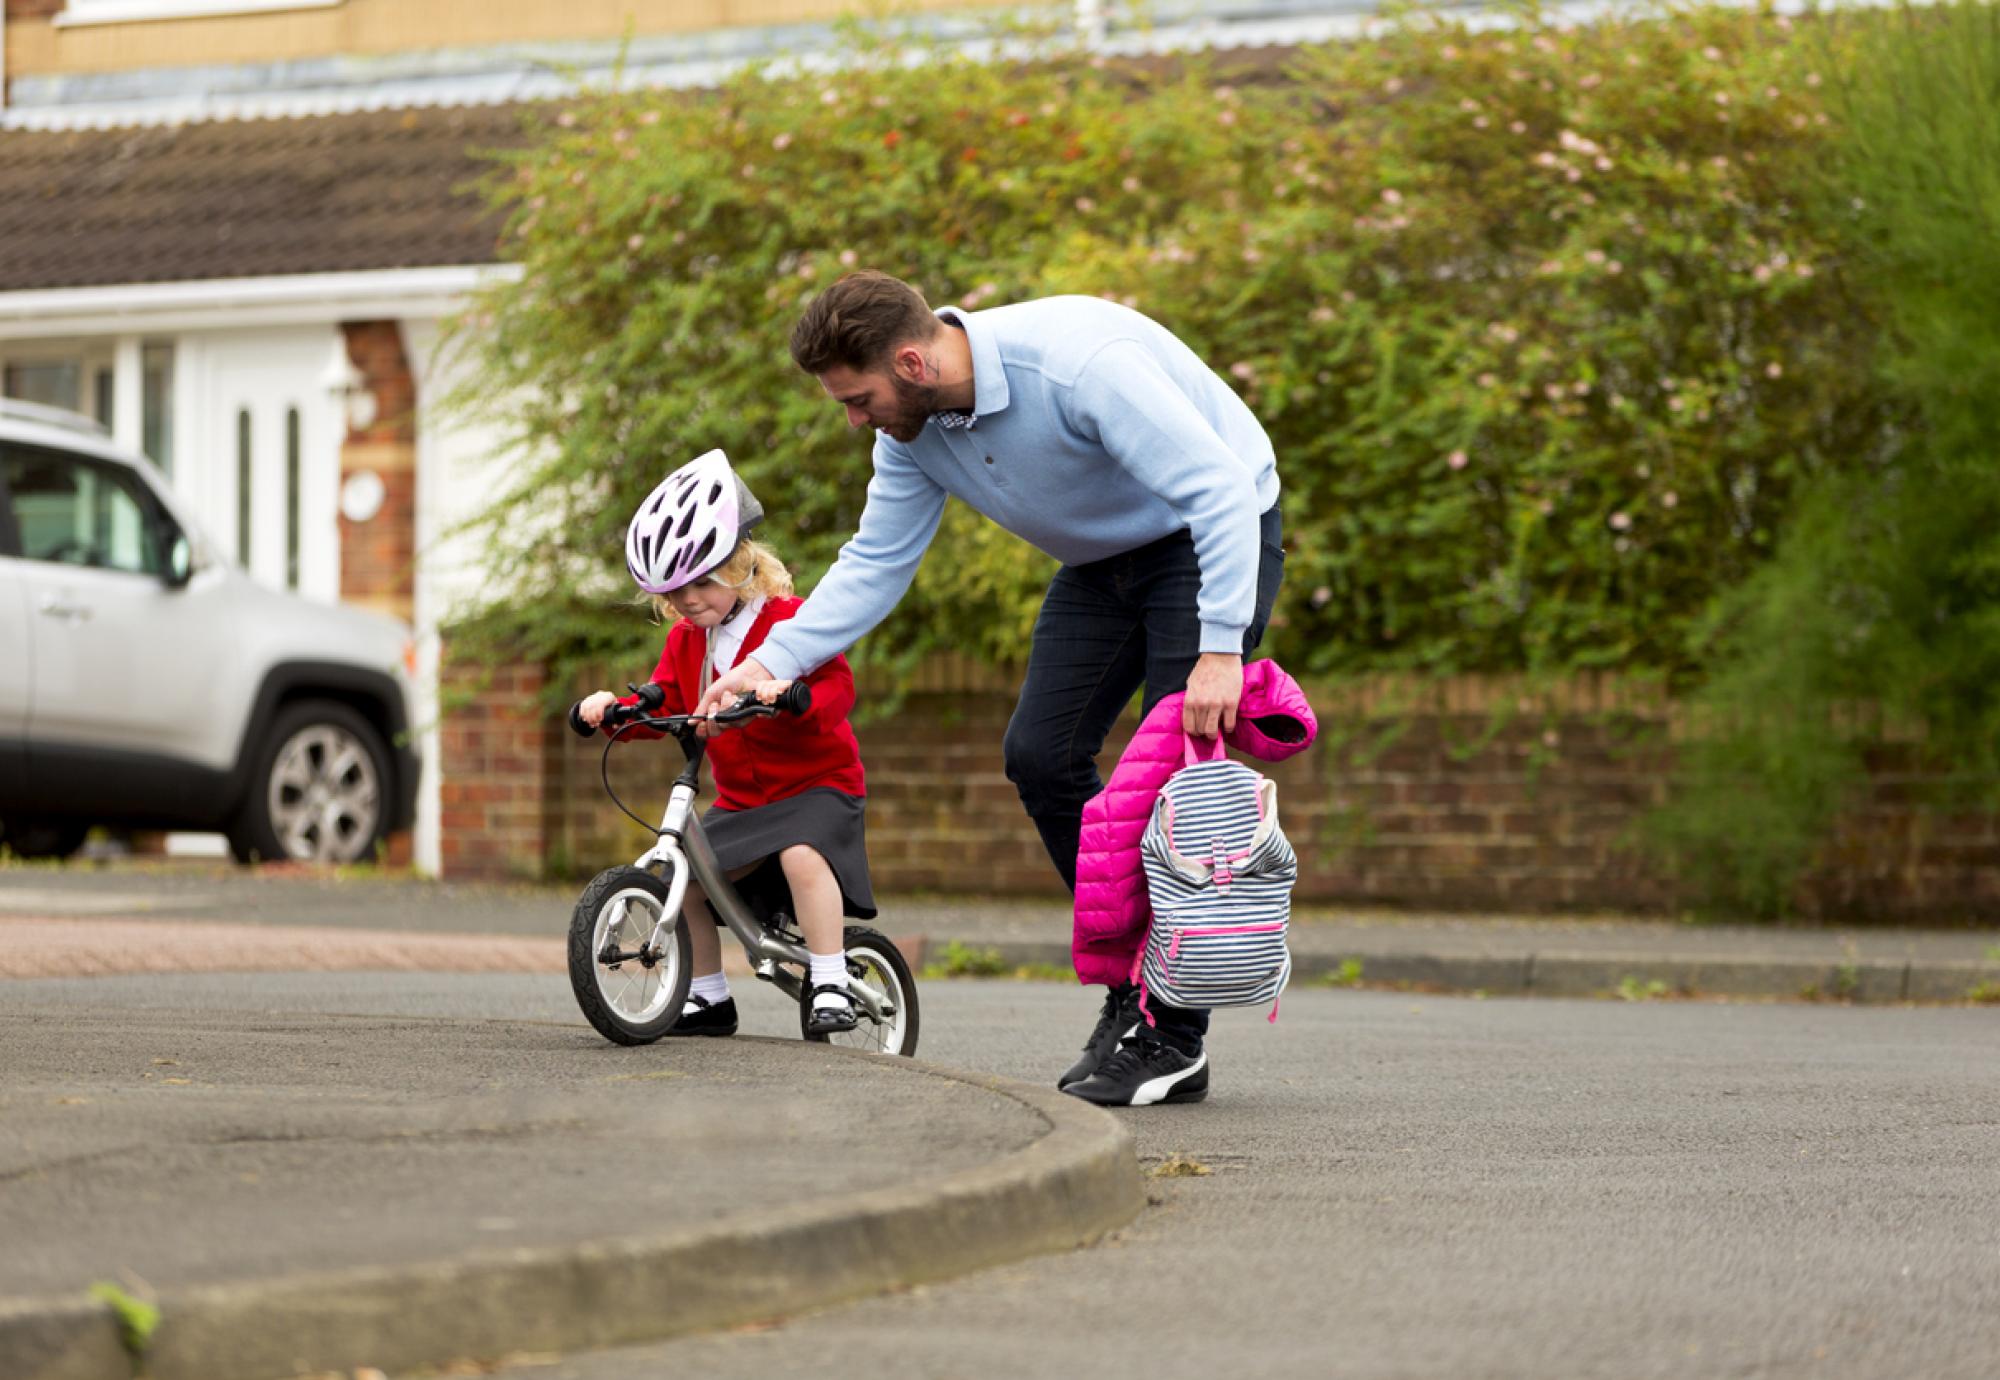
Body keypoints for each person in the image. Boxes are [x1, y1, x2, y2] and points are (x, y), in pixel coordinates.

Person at [695, 271, 1284, 1105]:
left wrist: (1219, 647)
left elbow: (1220, 488)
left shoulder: (1082, 365)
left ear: (912, 362)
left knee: (1172, 783)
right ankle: (1137, 982)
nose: (856, 419)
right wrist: (771, 662)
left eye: (858, 399)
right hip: (1100, 565)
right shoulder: (911, 435)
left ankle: (1172, 1034)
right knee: (1040, 757)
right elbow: (876, 561)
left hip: (1210, 538)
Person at [579, 448, 874, 1037]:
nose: (689, 602)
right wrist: (615, 711)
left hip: (818, 788)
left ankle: (832, 976)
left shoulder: (789, 621)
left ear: (740, 562)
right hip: (744, 801)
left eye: (702, 582)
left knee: (800, 853)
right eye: (676, 592)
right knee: (681, 871)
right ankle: (708, 996)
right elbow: (663, 698)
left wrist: (794, 696)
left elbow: (838, 687)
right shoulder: (690, 641)